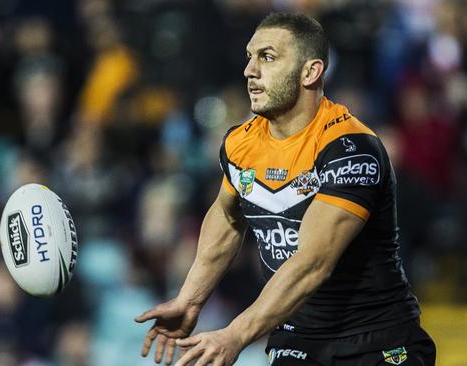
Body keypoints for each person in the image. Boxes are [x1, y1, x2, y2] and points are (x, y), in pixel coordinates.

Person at [135, 12, 436, 366]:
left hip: (376, 342)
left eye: (267, 57)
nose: (250, 70)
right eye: (250, 56)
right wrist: (190, 299)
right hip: (298, 340)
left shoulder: (350, 150)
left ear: (311, 72)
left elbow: (313, 262)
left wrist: (236, 334)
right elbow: (228, 217)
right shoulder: (240, 143)